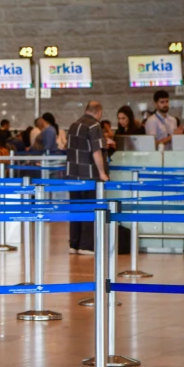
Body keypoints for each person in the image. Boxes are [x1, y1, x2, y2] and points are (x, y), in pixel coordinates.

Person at [65, 101, 110, 255]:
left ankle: (74, 244)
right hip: (90, 175)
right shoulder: (94, 126)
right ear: (99, 112)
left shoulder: (73, 125)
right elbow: (96, 151)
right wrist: (102, 173)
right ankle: (86, 245)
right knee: (90, 208)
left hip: (72, 174)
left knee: (75, 209)